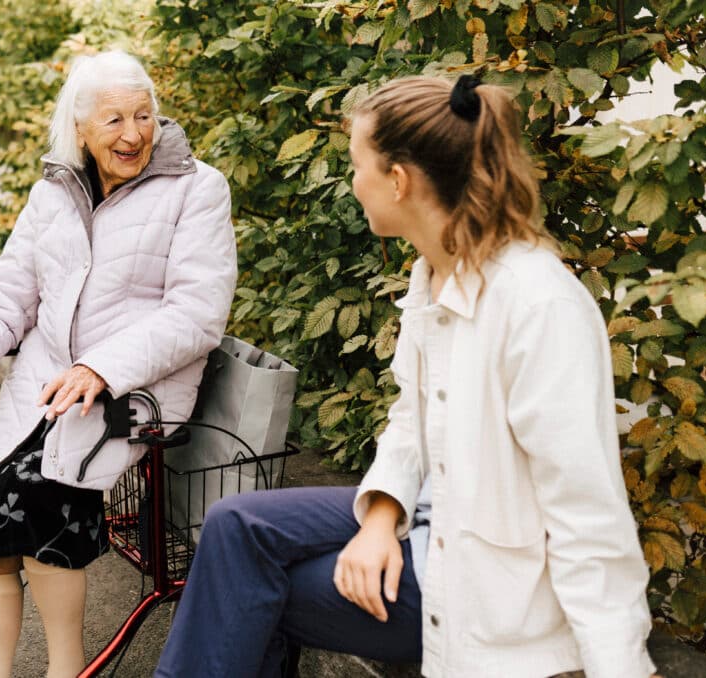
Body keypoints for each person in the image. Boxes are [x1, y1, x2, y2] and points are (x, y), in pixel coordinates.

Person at [155, 75, 660, 678]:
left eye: (357, 165)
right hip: (431, 514)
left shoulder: (537, 305)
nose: (352, 183)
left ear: (399, 180)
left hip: (483, 584)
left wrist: (621, 666)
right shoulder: (434, 274)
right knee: (236, 527)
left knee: (249, 591)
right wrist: (379, 516)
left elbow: (587, 513)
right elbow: (411, 418)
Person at [0, 50, 237, 678]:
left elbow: (198, 313)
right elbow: (10, 295)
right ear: (80, 128)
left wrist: (101, 367)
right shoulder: (53, 192)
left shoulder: (198, 188)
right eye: (113, 121)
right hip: (48, 387)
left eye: (143, 115)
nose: (133, 134)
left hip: (135, 392)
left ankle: (67, 668)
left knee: (34, 496)